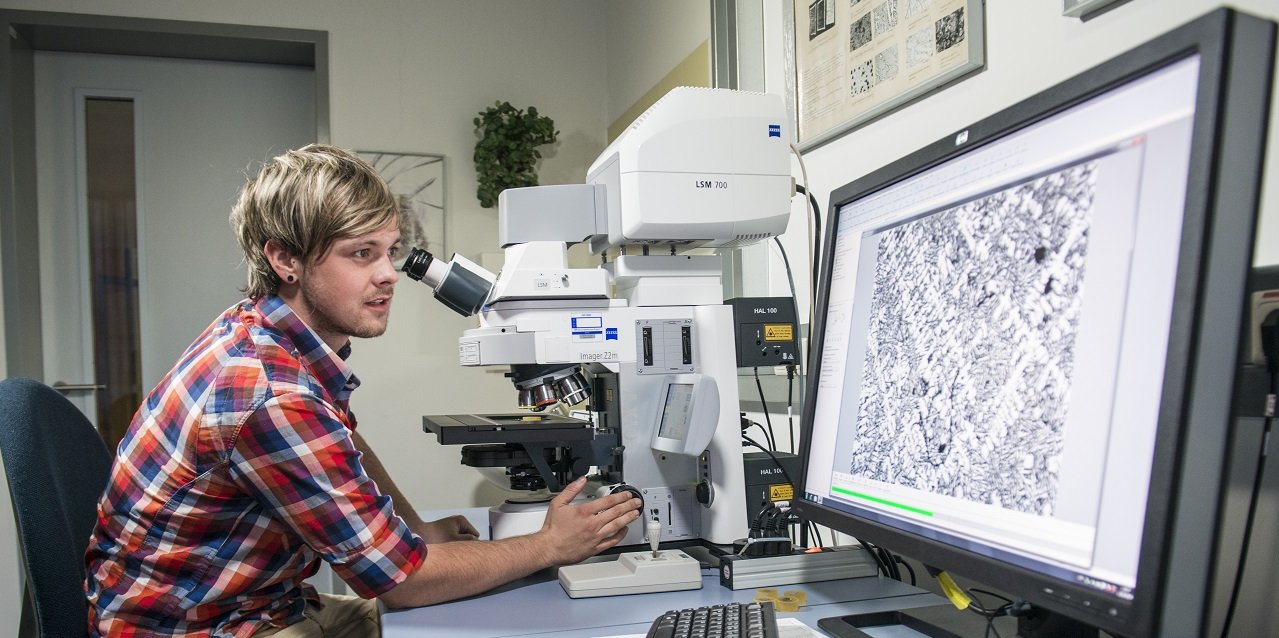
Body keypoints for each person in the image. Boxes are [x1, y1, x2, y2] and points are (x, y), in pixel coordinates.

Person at [84, 144, 642, 637]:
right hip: (197, 628)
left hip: (261, 605)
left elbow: (337, 441)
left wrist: (417, 529)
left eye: (390, 250)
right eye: (361, 254)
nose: (389, 274)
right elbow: (401, 583)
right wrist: (549, 545)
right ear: (285, 260)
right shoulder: (272, 395)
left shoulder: (261, 334)